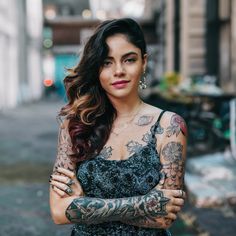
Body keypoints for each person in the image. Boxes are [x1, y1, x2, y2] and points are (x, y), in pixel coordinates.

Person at [49, 18, 187, 236]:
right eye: (106, 62)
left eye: (129, 60)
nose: (118, 71)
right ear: (96, 68)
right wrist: (146, 203)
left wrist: (83, 204)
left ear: (144, 62)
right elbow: (59, 211)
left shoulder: (169, 125)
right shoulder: (75, 124)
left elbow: (163, 217)